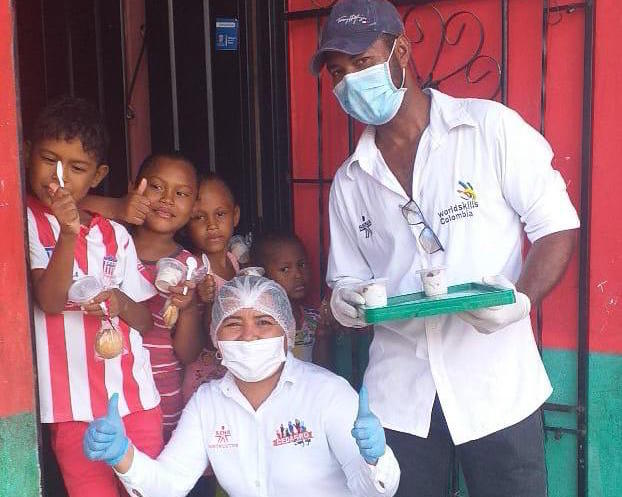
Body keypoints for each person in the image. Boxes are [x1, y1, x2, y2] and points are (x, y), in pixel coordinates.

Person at [311, 1, 580, 496]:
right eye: (338, 72)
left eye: (363, 63)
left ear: (402, 52)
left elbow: (556, 226)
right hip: (400, 397)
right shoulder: (350, 182)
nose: (350, 81)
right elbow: (346, 280)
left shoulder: (489, 129)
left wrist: (520, 299)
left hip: (496, 386)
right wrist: (344, 303)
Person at [83, 276, 401, 497]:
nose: (248, 335)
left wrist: (375, 458)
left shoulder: (326, 393)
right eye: (234, 324)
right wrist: (122, 455)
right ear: (216, 339)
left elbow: (373, 490)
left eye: (264, 322)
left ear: (287, 333)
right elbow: (168, 485)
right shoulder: (207, 404)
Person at [26, 96, 163, 497]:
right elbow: (50, 301)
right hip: (71, 411)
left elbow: (145, 320)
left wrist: (119, 303)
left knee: (147, 490)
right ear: (26, 153)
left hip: (134, 399)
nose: (59, 176)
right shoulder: (28, 224)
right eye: (48, 159)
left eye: (76, 167)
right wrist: (68, 232)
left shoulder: (113, 235)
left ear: (98, 175)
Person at [181, 173, 242, 402]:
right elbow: (204, 341)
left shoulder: (233, 262)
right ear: (186, 223)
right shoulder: (193, 269)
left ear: (235, 215)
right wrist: (206, 302)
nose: (212, 225)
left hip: (232, 376)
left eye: (220, 214)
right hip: (204, 382)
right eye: (199, 217)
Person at [250, 231, 332, 367]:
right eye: (285, 269)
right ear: (263, 275)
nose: (298, 275)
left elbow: (321, 369)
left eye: (302, 265)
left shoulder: (314, 318)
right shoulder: (262, 324)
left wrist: (322, 336)